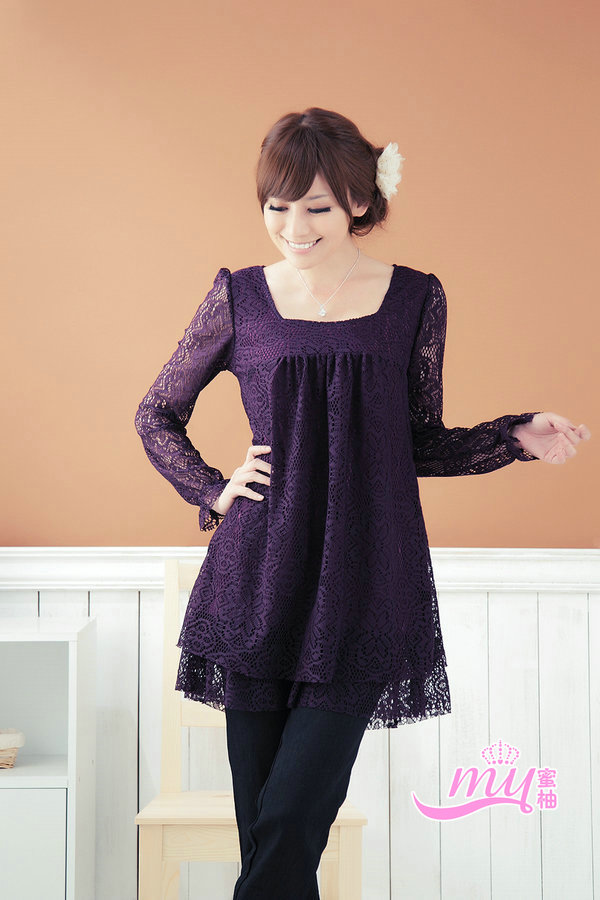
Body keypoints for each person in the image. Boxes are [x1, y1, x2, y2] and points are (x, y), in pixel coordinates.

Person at [134, 107, 591, 900]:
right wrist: (212, 488)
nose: (294, 226)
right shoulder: (240, 298)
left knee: (288, 824)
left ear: (358, 198)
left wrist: (514, 435)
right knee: (269, 835)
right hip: (257, 581)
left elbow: (415, 442)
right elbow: (155, 412)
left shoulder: (414, 298)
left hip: (365, 581)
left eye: (315, 206)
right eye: (277, 206)